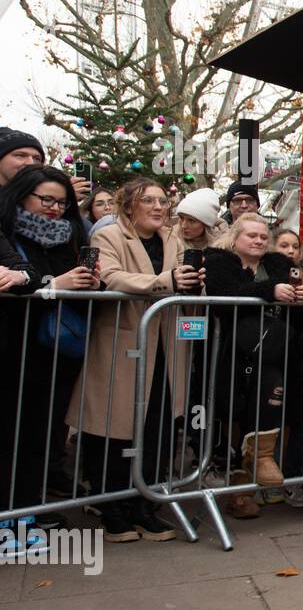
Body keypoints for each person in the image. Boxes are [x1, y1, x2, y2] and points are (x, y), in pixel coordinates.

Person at [71, 178, 203, 542]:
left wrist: (195, 283)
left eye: (163, 201)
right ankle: (110, 504)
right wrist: (166, 281)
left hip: (166, 345)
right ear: (129, 204)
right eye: (149, 200)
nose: (159, 207)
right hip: (122, 341)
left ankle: (146, 504)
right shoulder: (109, 236)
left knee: (159, 423)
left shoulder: (174, 240)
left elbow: (181, 282)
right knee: (114, 425)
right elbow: (110, 277)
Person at [0, 166, 96, 534]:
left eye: (62, 201)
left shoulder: (69, 237)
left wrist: (89, 283)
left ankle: (27, 509)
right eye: (46, 200)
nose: (55, 208)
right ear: (22, 196)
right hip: (14, 348)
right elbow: (16, 281)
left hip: (55, 352)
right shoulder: (7, 231)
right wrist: (54, 283)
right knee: (11, 434)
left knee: (41, 434)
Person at [205, 213, 303, 518]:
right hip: (232, 353)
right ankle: (241, 486)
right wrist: (269, 292)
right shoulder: (218, 260)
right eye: (251, 235)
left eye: (263, 236)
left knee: (270, 394)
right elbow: (221, 293)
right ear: (235, 237)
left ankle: (258, 466)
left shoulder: (277, 263)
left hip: (273, 354)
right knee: (236, 419)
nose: (258, 241)